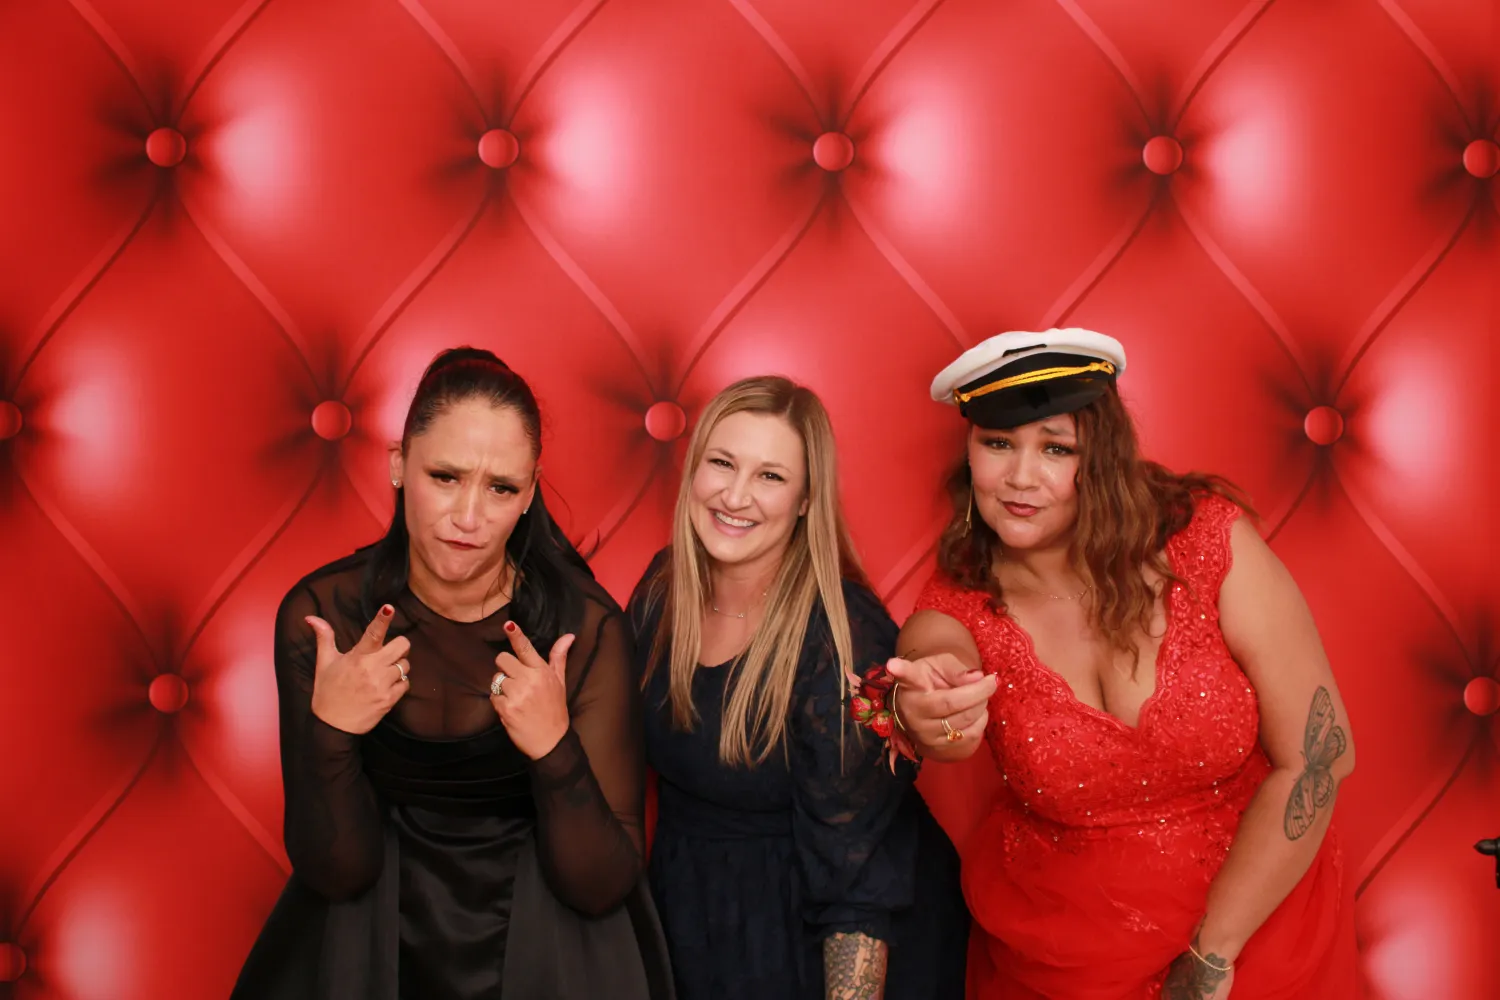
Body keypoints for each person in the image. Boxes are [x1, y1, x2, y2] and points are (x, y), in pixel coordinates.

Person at [864, 329, 1360, 999]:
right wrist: (930, 710)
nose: (1019, 477)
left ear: (1101, 457)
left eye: (1056, 448)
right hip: (1065, 958)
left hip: (1259, 920)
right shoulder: (960, 604)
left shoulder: (1207, 542)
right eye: (999, 443)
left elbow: (1319, 756)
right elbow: (935, 680)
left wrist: (1212, 959)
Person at [231, 347, 673, 1000]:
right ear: (397, 466)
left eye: (502, 488)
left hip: (545, 945)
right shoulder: (324, 615)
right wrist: (331, 730)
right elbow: (337, 873)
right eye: (445, 477)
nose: (469, 518)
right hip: (369, 938)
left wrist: (554, 750)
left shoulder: (587, 629)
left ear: (529, 495)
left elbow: (604, 885)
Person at [627, 376, 969, 1000]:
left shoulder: (842, 635)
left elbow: (856, 878)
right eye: (722, 463)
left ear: (807, 499)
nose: (735, 495)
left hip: (819, 933)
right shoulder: (660, 592)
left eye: (771, 476)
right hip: (698, 913)